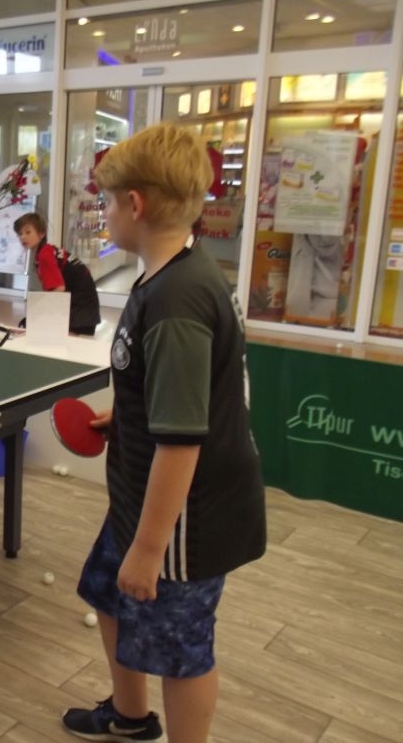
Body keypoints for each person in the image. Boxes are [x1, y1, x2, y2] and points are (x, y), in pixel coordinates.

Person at [63, 123, 267, 743]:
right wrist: (126, 419)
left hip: (182, 520)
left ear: (136, 204)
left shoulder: (178, 299)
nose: (103, 210)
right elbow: (179, 395)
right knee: (106, 592)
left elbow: (182, 441)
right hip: (142, 496)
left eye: (107, 199)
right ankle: (130, 718)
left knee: (182, 651)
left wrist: (151, 550)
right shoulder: (167, 272)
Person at [14, 211, 101, 336]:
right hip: (86, 305)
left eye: (28, 232)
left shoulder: (44, 255)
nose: (23, 237)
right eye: (20, 233)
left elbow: (59, 289)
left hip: (79, 308)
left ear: (42, 234)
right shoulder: (47, 250)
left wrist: (38, 312)